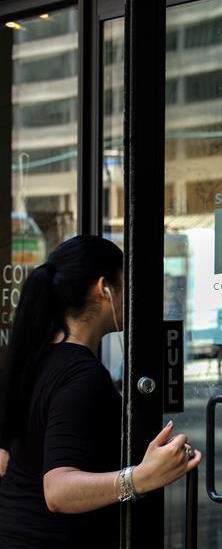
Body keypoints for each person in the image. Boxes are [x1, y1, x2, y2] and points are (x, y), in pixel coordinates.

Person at [0, 235, 202, 548]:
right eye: (127, 283)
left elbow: (6, 459)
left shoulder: (35, 359)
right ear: (103, 289)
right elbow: (58, 491)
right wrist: (142, 477)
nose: (133, 296)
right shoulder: (82, 375)